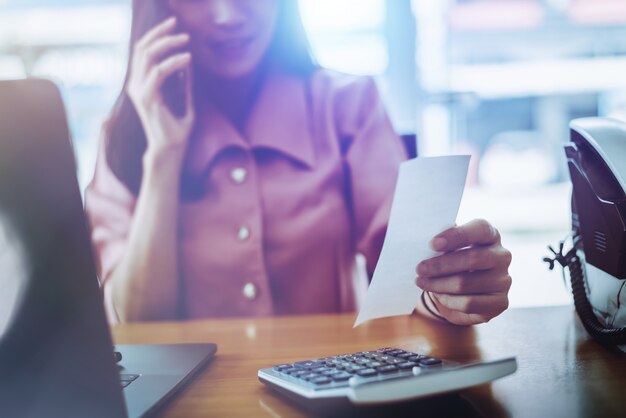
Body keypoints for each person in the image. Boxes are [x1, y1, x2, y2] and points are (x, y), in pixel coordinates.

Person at [85, 0, 512, 325]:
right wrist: (163, 154)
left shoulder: (348, 106)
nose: (226, 15)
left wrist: (452, 291)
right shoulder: (127, 133)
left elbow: (410, 279)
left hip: (334, 391)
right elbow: (137, 321)